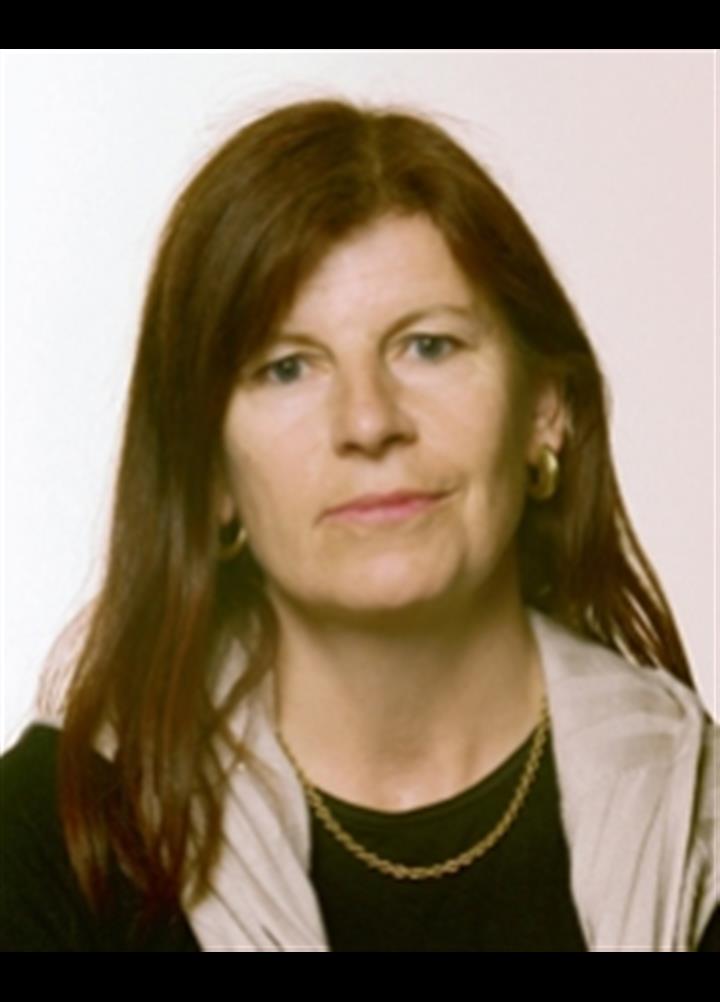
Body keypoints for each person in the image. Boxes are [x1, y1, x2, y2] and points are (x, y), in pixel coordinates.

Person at [1, 98, 717, 953]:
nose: (369, 421)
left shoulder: (696, 826)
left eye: (429, 346)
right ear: (209, 470)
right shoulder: (52, 842)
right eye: (287, 368)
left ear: (544, 411)